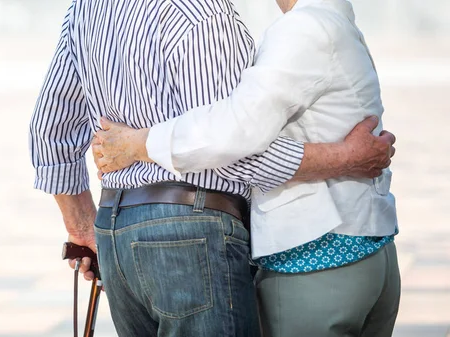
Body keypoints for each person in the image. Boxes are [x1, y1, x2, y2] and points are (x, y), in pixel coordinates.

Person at [29, 0, 396, 335]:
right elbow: (237, 148)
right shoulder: (204, 12)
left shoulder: (86, 10)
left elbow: (49, 128)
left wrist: (83, 229)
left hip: (116, 231)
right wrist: (347, 158)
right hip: (193, 229)